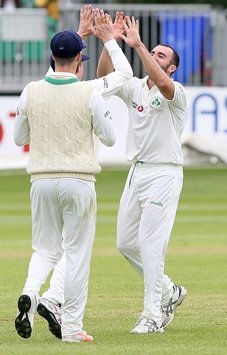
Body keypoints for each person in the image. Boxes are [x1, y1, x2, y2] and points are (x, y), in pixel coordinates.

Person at [28, 6, 134, 341]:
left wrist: (78, 35)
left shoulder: (32, 89)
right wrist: (109, 40)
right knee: (77, 255)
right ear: (78, 60)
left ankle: (30, 297)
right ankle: (72, 327)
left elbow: (19, 138)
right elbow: (125, 80)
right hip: (78, 179)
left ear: (52, 56)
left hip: (40, 180)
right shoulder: (89, 91)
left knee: (44, 251)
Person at [97, 15, 187, 334]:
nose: (155, 55)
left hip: (164, 174)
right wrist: (113, 41)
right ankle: (168, 291)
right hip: (136, 172)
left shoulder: (175, 91)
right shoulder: (133, 87)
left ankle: (152, 314)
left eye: (162, 55)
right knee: (124, 243)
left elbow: (162, 84)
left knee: (150, 244)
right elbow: (104, 75)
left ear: (173, 67)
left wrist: (138, 46)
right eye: (154, 53)